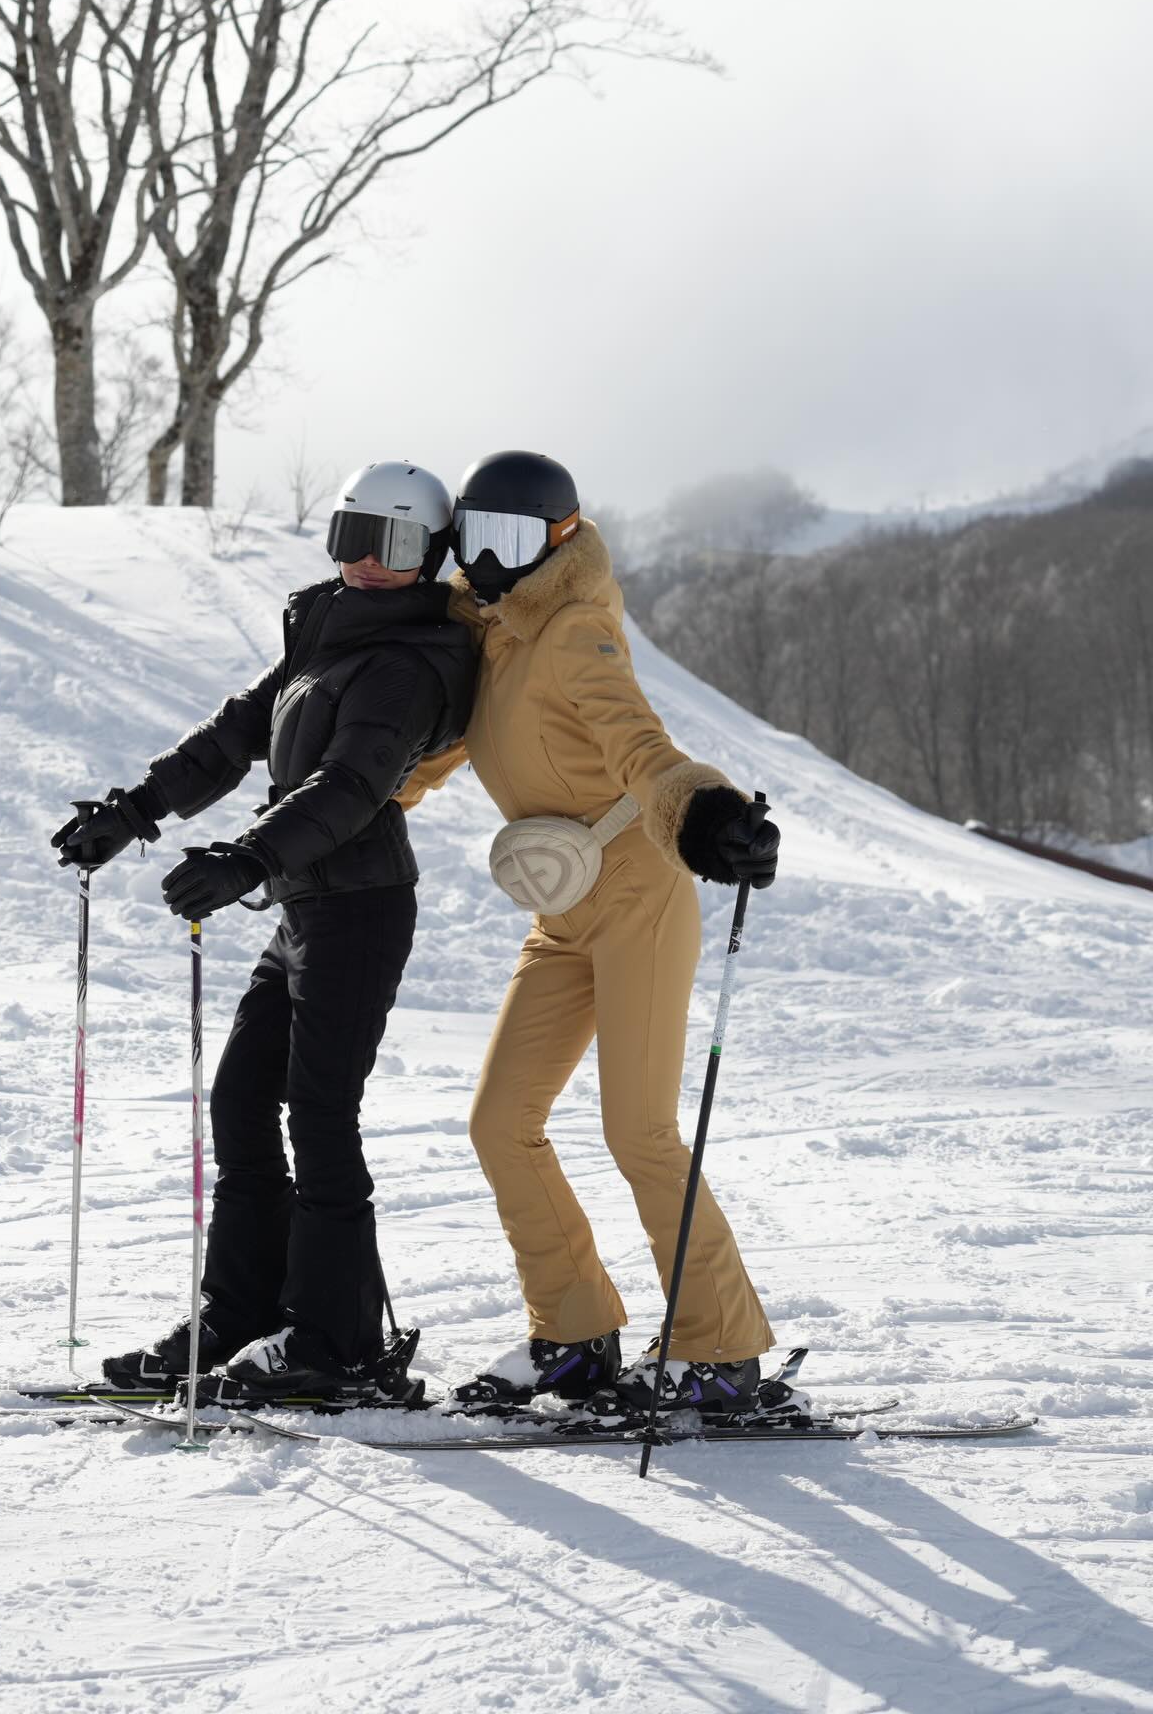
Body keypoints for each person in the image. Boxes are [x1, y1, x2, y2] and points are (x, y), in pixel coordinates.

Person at [51, 462, 476, 1403]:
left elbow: (352, 786)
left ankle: (337, 1342)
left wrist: (245, 859)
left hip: (359, 907)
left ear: (430, 555)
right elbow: (239, 730)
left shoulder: (412, 661)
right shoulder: (326, 626)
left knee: (320, 1117)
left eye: (395, 544)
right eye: (351, 535)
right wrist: (135, 812)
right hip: (303, 907)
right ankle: (242, 1313)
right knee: (241, 1103)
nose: (367, 560)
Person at [398, 450, 781, 1417]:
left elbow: (642, 745)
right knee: (499, 1122)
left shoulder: (574, 629)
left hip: (641, 896)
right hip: (563, 914)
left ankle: (721, 1349)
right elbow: (430, 756)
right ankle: (574, 1330)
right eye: (474, 540)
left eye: (513, 541)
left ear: (559, 540)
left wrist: (704, 815)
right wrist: (327, 823)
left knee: (639, 1131)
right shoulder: (484, 637)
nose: (489, 562)